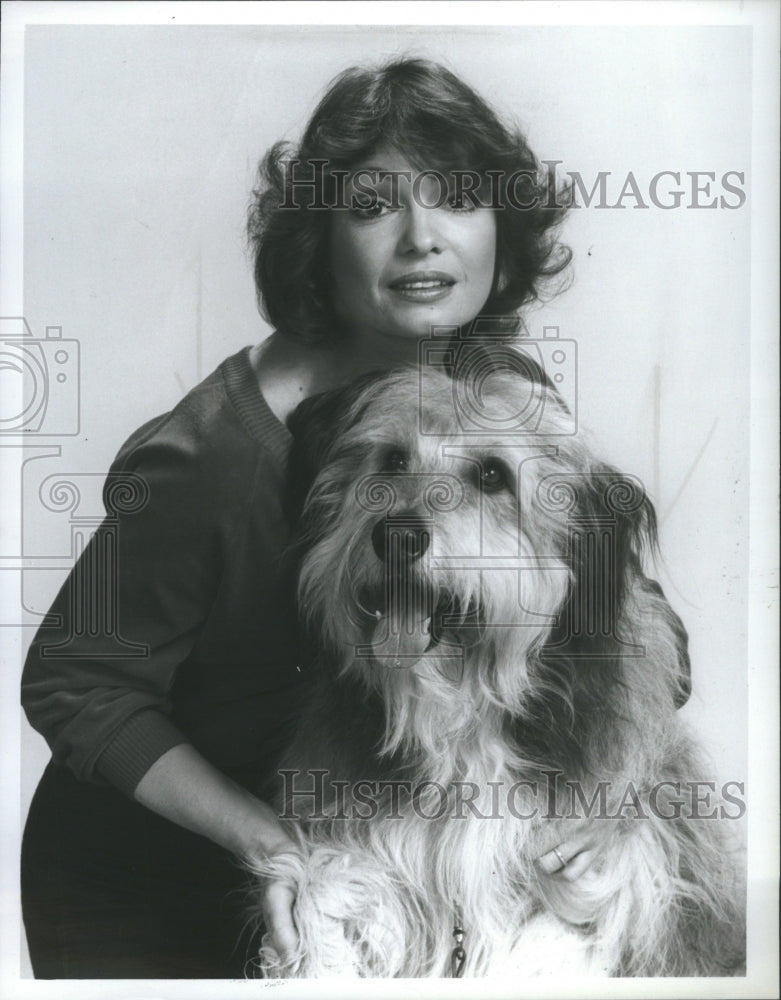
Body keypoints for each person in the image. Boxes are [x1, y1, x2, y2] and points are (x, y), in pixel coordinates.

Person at [21, 57, 632, 979]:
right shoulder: (210, 456)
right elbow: (74, 683)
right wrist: (277, 849)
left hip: (352, 847)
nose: (422, 239)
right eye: (375, 205)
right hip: (157, 884)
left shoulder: (495, 397)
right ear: (318, 239)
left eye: (459, 199)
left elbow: (620, 610)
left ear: (501, 228)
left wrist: (607, 799)